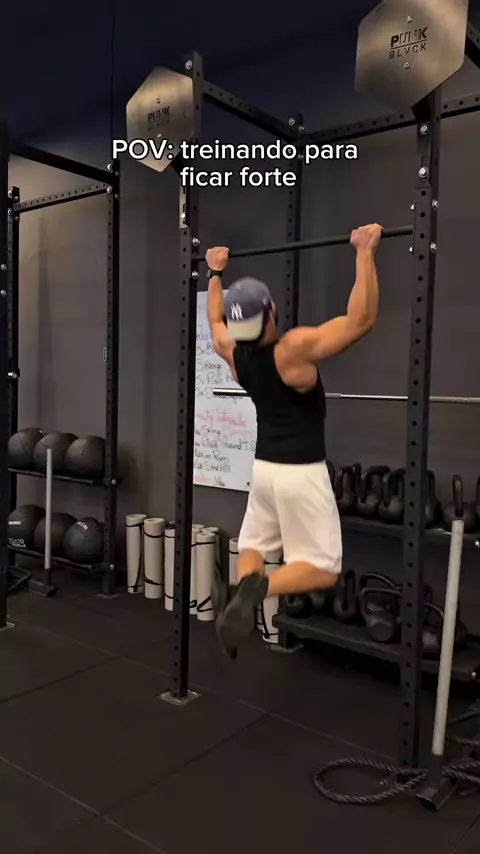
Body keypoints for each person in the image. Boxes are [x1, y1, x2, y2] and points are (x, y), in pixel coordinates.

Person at [205, 223, 383, 656]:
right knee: (323, 568)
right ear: (272, 312)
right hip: (301, 473)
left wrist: (214, 273)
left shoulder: (233, 354)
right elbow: (361, 319)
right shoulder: (292, 350)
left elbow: (213, 320)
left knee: (253, 546)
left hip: (265, 471)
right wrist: (364, 251)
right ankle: (255, 591)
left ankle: (241, 590)